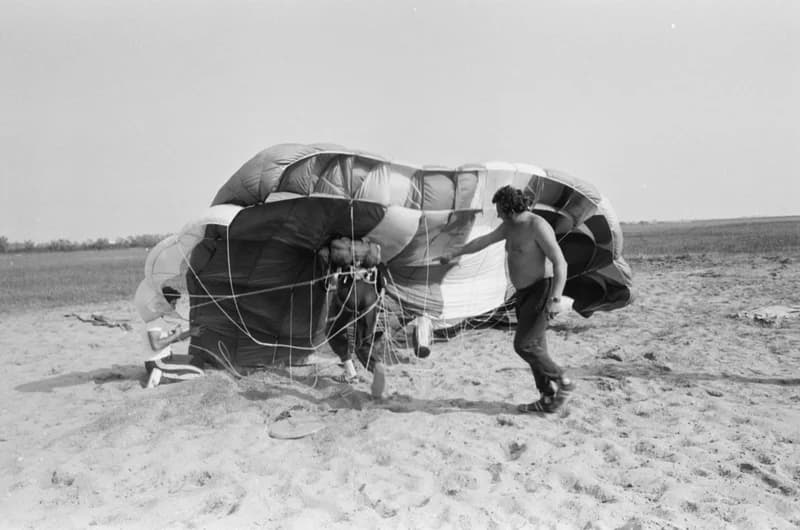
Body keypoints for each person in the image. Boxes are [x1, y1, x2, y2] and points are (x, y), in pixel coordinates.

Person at [439, 184, 575, 413]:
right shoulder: (509, 227)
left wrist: (555, 299)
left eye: (500, 210)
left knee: (524, 345)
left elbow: (561, 263)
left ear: (510, 208)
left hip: (542, 291)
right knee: (537, 347)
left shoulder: (537, 226)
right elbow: (483, 241)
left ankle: (563, 381)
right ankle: (548, 398)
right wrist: (455, 253)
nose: (498, 214)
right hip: (522, 294)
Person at [324, 247, 387, 400]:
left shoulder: (341, 248)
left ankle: (350, 371)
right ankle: (376, 366)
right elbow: (383, 286)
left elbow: (330, 280)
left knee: (333, 331)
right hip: (371, 296)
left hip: (348, 295)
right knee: (364, 343)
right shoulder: (373, 250)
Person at [143, 286, 204, 388]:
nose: (174, 308)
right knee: (199, 374)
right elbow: (156, 345)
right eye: (173, 304)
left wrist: (190, 333)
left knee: (197, 361)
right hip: (157, 363)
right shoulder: (154, 320)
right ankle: (160, 378)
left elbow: (167, 340)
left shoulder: (160, 318)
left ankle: (161, 375)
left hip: (167, 359)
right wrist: (176, 334)